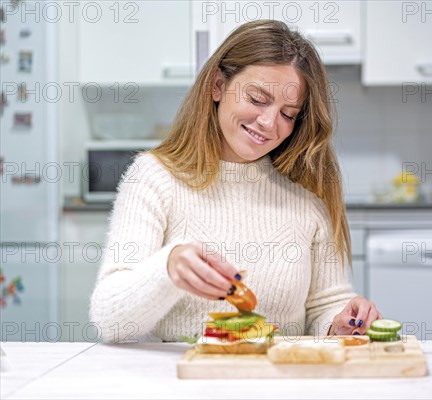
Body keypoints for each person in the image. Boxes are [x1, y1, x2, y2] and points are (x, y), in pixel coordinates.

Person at [90, 20, 381, 343]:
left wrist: (340, 321)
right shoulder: (153, 178)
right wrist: (167, 269)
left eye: (288, 114)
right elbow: (110, 322)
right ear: (217, 85)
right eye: (257, 99)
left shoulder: (307, 193)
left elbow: (325, 304)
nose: (269, 123)